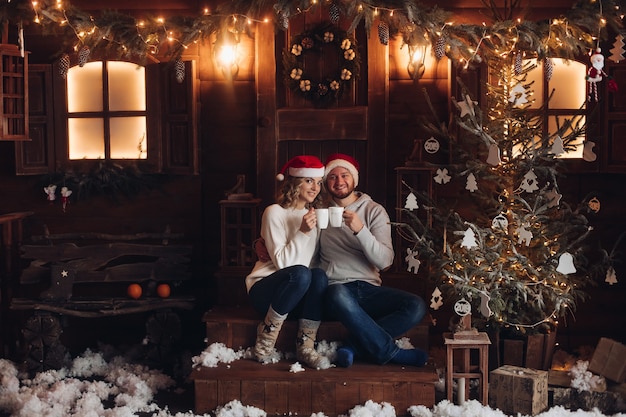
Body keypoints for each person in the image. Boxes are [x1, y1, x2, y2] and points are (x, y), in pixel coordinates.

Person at [319, 153, 428, 368]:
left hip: (368, 290)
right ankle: (391, 353)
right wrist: (261, 242)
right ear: (325, 182)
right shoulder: (319, 211)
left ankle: (352, 346)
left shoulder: (374, 211)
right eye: (332, 177)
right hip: (336, 289)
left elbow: (385, 262)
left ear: (354, 179)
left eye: (344, 175)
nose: (339, 181)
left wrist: (360, 230)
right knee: (336, 292)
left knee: (416, 305)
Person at [245, 155, 331, 369]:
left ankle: (305, 346)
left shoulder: (314, 216)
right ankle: (265, 338)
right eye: (309, 181)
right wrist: (302, 232)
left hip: (296, 297)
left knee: (318, 274)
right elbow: (285, 264)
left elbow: (314, 261)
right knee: (301, 273)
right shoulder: (274, 212)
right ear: (294, 182)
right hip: (267, 292)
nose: (315, 188)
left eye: (318, 182)